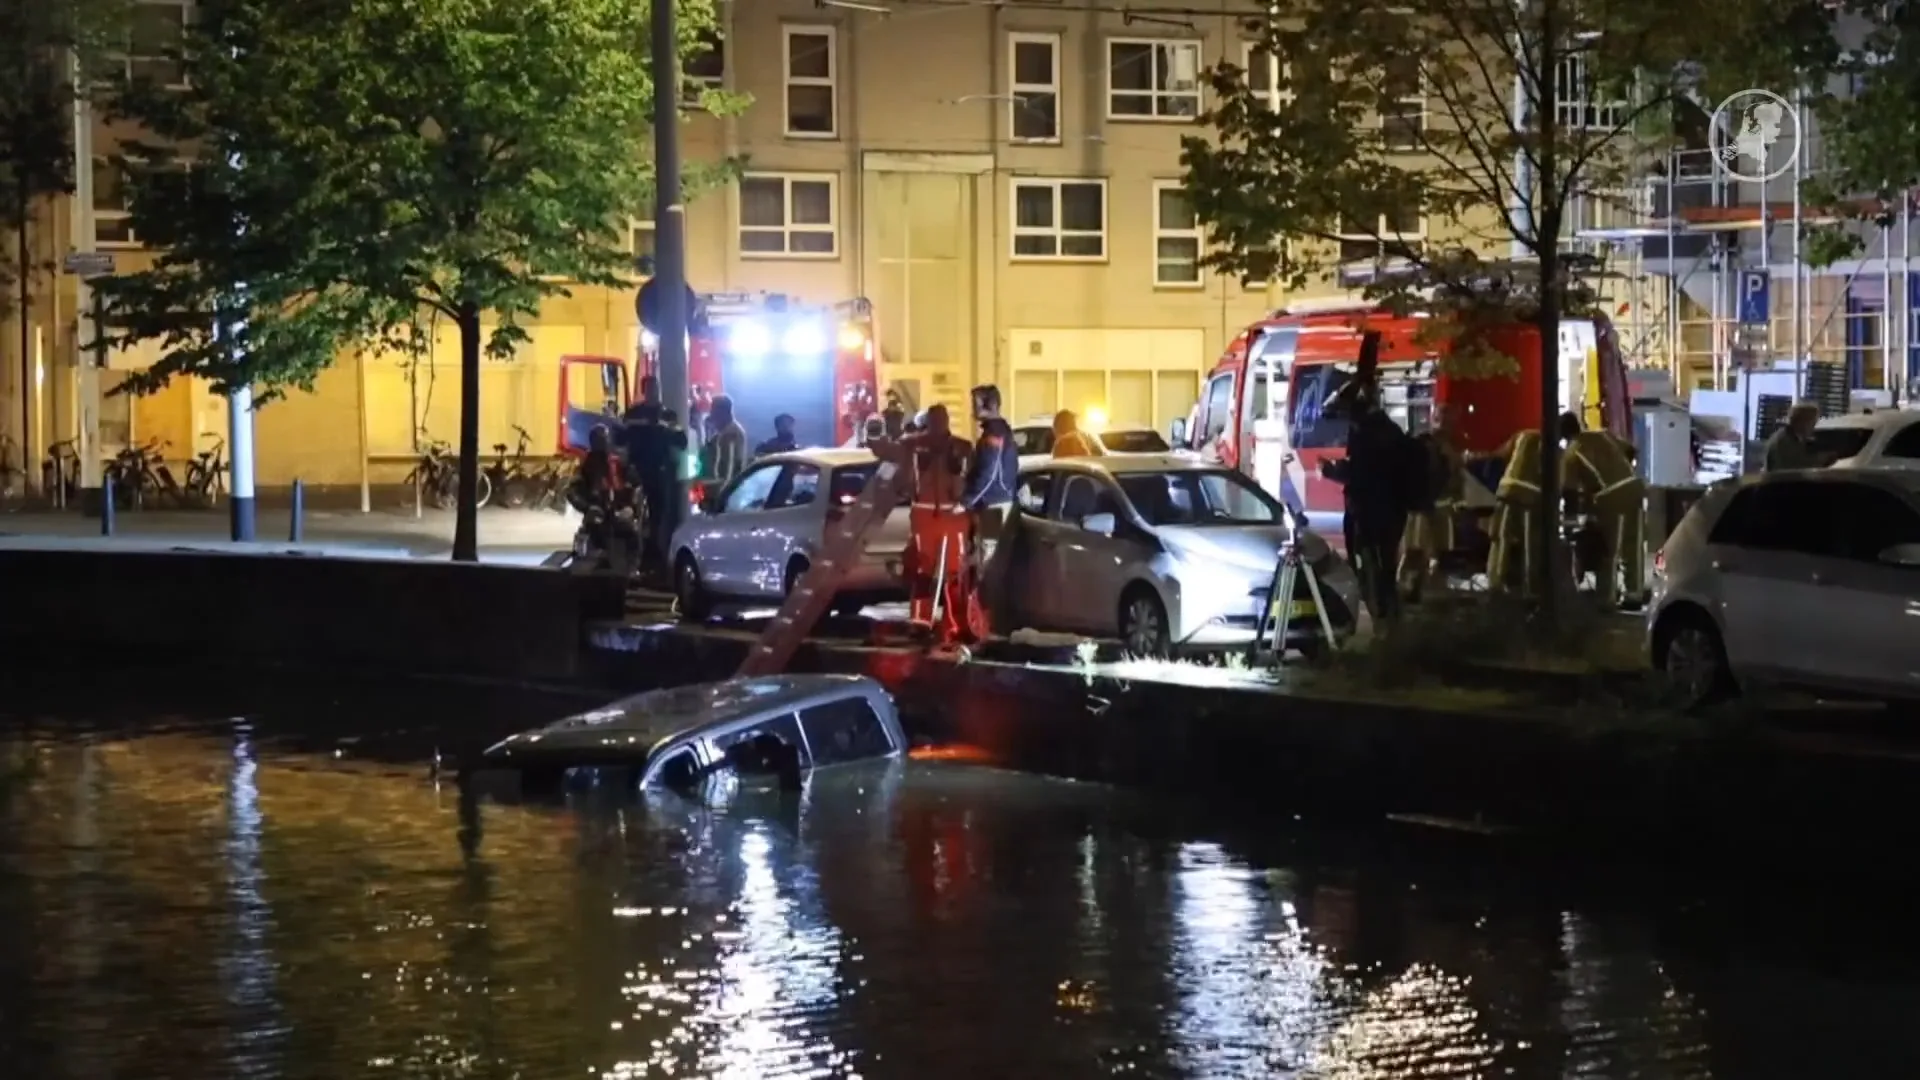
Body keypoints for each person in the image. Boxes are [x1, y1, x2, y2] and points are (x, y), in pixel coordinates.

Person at [873, 403, 980, 643]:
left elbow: (883, 450)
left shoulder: (917, 445)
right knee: (945, 571)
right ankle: (945, 624)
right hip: (948, 516)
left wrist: (875, 434)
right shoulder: (957, 447)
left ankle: (932, 623)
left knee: (937, 571)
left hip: (940, 516)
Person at [1323, 381, 1419, 621]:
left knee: (1372, 571)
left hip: (1370, 512)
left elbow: (1362, 473)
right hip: (1392, 510)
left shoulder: (1367, 432)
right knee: (1385, 568)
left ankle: (1385, 621)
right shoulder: (1389, 429)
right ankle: (1389, 619)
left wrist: (1331, 471)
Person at [1558, 411, 1647, 609]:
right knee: (1633, 546)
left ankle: (1606, 599)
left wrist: (1569, 525)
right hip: (1634, 487)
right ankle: (1634, 595)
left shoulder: (1572, 452)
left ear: (1563, 435)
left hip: (1610, 497)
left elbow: (1569, 492)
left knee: (1609, 550)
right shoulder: (1603, 434)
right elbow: (1631, 451)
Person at [963, 385, 1020, 632]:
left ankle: (987, 626)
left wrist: (965, 501)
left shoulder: (993, 435)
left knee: (988, 565)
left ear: (990, 404)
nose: (972, 409)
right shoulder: (999, 432)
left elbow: (989, 474)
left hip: (993, 508)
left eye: (976, 403)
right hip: (997, 505)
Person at [1399, 403, 1466, 602]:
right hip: (1424, 506)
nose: (1447, 422)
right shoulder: (1427, 443)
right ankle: (1411, 590)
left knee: (1433, 553)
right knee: (1417, 553)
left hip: (1435, 506)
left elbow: (1455, 477)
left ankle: (1422, 591)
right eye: (1443, 416)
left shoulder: (1447, 446)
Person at [622, 375, 687, 576]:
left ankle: (656, 560)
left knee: (659, 517)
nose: (653, 391)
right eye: (650, 388)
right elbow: (621, 439)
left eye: (655, 387)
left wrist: (664, 429)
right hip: (638, 473)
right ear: (644, 390)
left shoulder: (668, 416)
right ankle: (640, 557)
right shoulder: (633, 414)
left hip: (661, 473)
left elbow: (681, 442)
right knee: (637, 517)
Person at [1473, 426, 1547, 594]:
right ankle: (1530, 587)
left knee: (1501, 537)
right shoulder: (1553, 447)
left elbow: (1499, 455)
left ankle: (1495, 581)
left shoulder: (1522, 435)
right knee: (1530, 542)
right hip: (1531, 495)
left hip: (1506, 489)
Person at [1763, 402, 1830, 471]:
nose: (1813, 427)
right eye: (1812, 423)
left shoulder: (1788, 436)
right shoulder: (1784, 441)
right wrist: (1822, 460)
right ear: (1802, 421)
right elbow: (1796, 466)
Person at [701, 394, 748, 485]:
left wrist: (723, 491)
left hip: (724, 488)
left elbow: (730, 466)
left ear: (722, 412)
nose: (711, 414)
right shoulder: (721, 433)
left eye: (713, 410)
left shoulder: (731, 433)